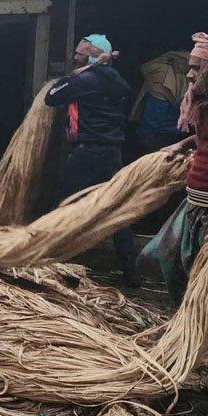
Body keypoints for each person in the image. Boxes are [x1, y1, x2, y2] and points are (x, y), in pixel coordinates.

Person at [140, 31, 208, 304]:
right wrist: (184, 144)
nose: (190, 75)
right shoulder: (206, 102)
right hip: (195, 207)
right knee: (161, 259)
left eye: (198, 67)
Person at [45, 34, 141, 287]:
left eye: (79, 53)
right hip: (112, 153)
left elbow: (52, 97)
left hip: (87, 153)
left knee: (67, 206)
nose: (74, 57)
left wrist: (75, 75)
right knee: (116, 209)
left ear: (91, 55)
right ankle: (132, 272)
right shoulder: (117, 81)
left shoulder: (85, 79)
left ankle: (63, 267)